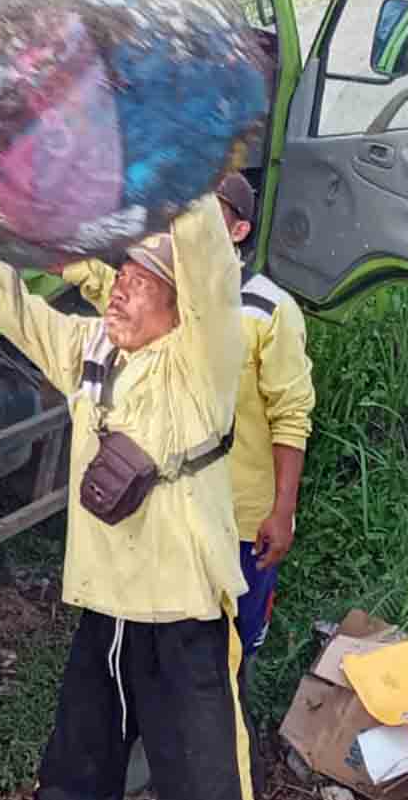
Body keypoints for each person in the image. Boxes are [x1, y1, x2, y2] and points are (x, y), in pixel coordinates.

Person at [0, 203, 281, 800]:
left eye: (144, 282)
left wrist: (187, 165)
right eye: (121, 274)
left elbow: (205, 256)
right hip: (107, 614)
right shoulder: (90, 348)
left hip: (185, 623)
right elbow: (8, 302)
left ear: (182, 305)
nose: (123, 291)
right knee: (71, 770)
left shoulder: (203, 360)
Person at [63, 174, 315, 665]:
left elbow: (290, 415)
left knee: (230, 646)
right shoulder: (159, 292)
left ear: (237, 232)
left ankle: (228, 725)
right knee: (159, 639)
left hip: (237, 519)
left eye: (201, 212)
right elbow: (98, 280)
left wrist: (282, 510)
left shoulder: (270, 310)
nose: (183, 223)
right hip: (167, 512)